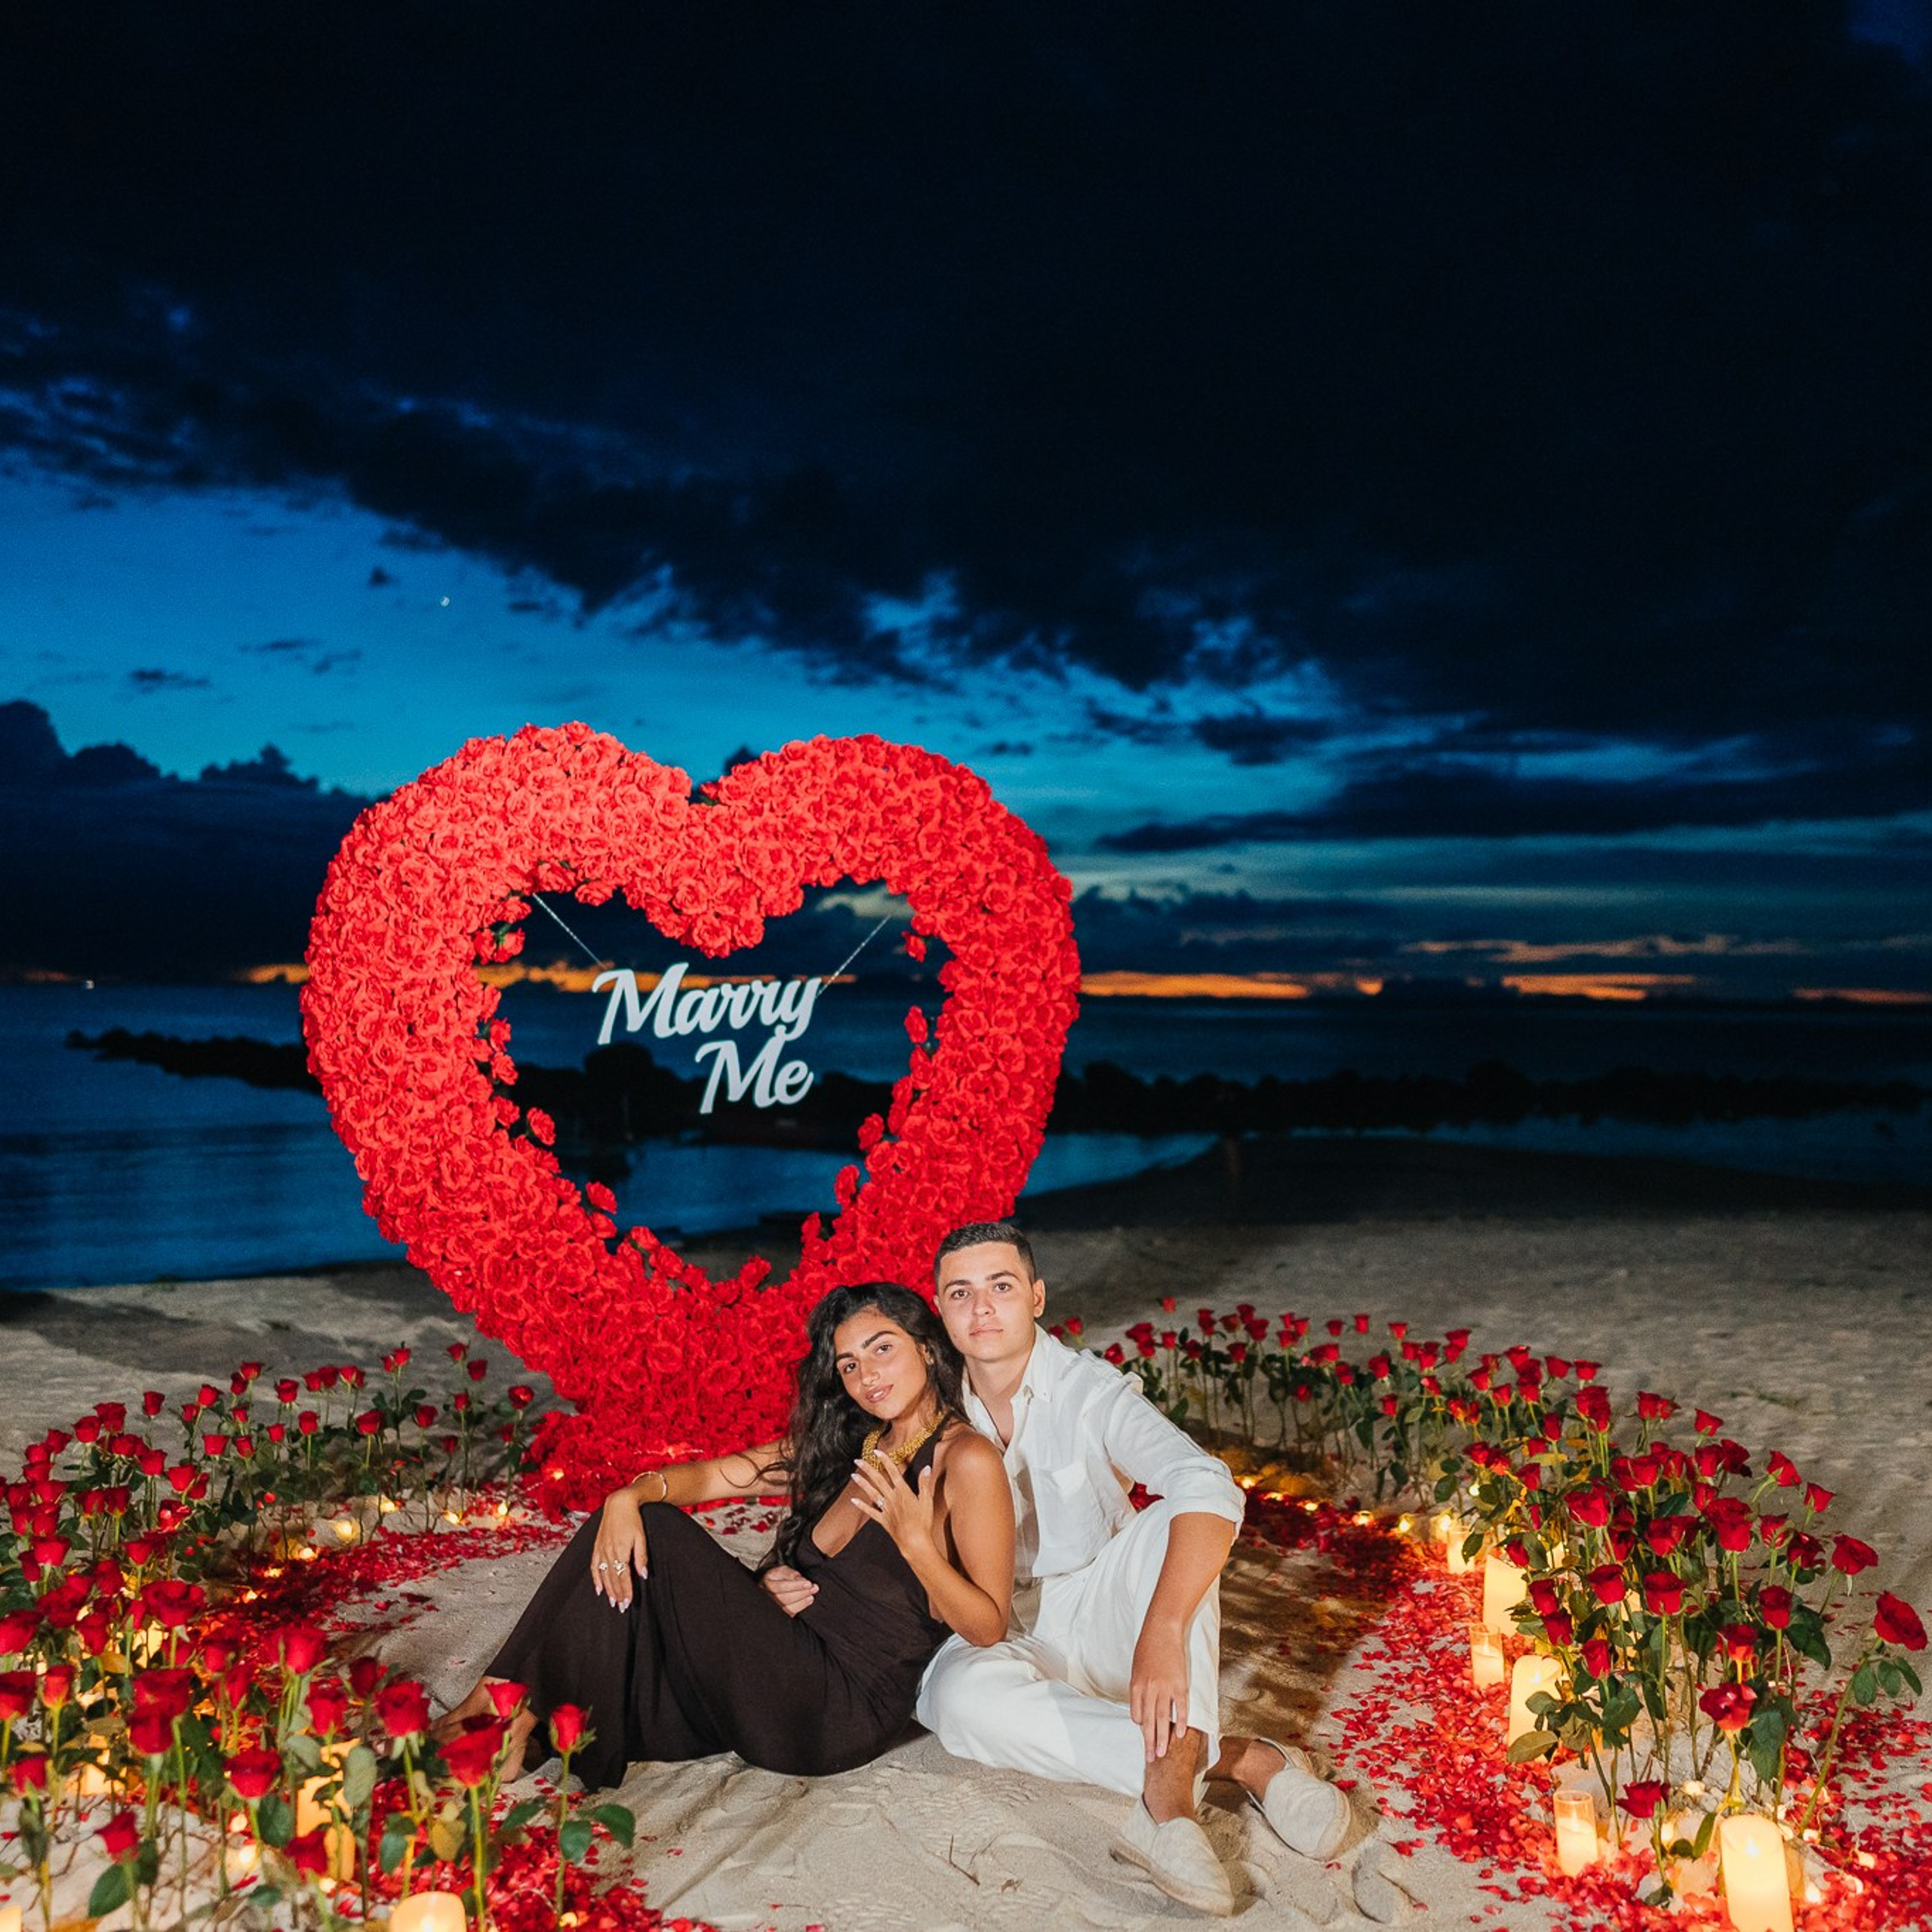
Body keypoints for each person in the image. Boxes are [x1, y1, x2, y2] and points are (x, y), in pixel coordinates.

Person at [764, 1223, 1352, 1917]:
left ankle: (1165, 1811)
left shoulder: (1089, 1392)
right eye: (961, 1293)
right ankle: (1248, 1760)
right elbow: (822, 1479)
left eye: (1001, 1287)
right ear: (940, 1315)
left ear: (1036, 1297)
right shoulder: (917, 1392)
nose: (982, 1309)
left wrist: (1161, 1629)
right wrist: (778, 1566)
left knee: (1178, 1521)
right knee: (953, 1704)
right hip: (998, 1624)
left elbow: (1207, 1483)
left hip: (1110, 1611)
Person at [441, 1281, 1014, 1789]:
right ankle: (518, 1718)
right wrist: (631, 1493)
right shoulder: (856, 1443)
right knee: (635, 1537)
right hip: (779, 1667)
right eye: (848, 1365)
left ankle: (496, 1703)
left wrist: (915, 1542)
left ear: (928, 1347)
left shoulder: (966, 1460)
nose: (867, 1377)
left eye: (882, 1349)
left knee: (657, 1532)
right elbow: (719, 1473)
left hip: (832, 1712)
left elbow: (987, 1626)